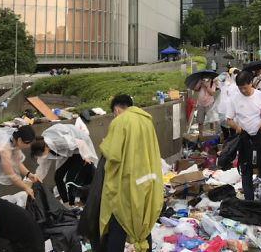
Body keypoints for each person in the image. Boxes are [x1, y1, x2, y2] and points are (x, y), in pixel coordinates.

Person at [99, 94, 163, 252]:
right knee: (143, 223)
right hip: (148, 178)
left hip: (127, 181)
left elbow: (114, 154)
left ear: (117, 109)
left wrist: (104, 145)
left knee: (119, 223)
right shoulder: (147, 120)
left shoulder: (120, 121)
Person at [226, 70, 261, 201]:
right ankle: (249, 201)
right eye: (240, 88)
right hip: (244, 137)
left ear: (251, 84)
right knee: (246, 171)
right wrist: (237, 127)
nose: (243, 91)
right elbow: (229, 119)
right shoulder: (234, 98)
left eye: (245, 88)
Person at [30, 123, 99, 205]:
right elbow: (43, 166)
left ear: (46, 148)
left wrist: (86, 156)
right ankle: (66, 202)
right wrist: (36, 178)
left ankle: (72, 204)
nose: (41, 156)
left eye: (41, 154)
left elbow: (81, 143)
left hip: (81, 148)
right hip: (70, 151)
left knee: (70, 180)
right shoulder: (41, 144)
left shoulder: (59, 142)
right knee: (58, 176)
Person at [0, 125, 39, 198]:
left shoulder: (14, 139)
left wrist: (29, 174)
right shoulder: (5, 148)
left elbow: (17, 162)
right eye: (28, 143)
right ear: (20, 140)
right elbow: (10, 174)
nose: (29, 146)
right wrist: (26, 187)